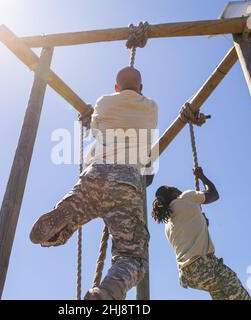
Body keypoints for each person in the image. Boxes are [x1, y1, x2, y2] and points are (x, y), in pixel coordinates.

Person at [30, 67, 158, 300]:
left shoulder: (104, 102)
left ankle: (64, 217)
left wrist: (89, 120)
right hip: (125, 180)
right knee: (133, 256)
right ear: (141, 88)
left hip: (95, 173)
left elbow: (96, 127)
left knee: (77, 206)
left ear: (115, 87)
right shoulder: (150, 107)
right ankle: (106, 293)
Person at [151, 167, 251, 300]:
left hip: (189, 276)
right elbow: (213, 194)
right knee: (236, 289)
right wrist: (202, 176)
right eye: (175, 187)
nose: (178, 189)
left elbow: (191, 230)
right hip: (204, 266)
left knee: (220, 292)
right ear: (172, 192)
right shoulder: (185, 197)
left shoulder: (167, 225)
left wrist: (202, 220)